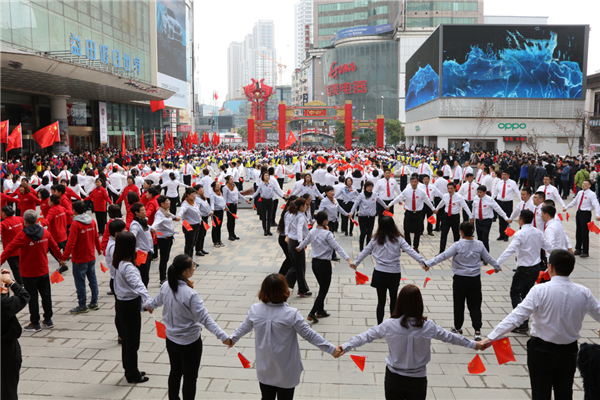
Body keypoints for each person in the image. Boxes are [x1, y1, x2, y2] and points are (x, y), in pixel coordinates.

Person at [482, 249, 600, 400]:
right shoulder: (583, 292)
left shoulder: (539, 290)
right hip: (568, 351)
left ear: (550, 267)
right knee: (565, 393)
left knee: (540, 393)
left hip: (541, 350)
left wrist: (491, 337)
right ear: (572, 269)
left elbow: (516, 317)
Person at [338, 284, 485, 400]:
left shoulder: (389, 325)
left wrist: (345, 346)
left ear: (399, 303)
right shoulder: (428, 326)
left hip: (394, 378)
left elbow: (365, 336)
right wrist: (475, 344)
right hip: (417, 379)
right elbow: (451, 337)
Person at [230, 273, 341, 400]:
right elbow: (309, 335)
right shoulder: (291, 314)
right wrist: (331, 349)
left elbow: (243, 328)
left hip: (265, 367)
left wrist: (232, 339)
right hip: (286, 369)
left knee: (266, 397)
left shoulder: (255, 310)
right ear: (284, 290)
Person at [145, 255, 232, 400]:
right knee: (190, 377)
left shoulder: (166, 286)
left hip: (171, 339)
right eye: (193, 266)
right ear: (186, 271)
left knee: (175, 372)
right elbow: (205, 319)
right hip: (190, 342)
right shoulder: (191, 295)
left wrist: (148, 305)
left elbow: (155, 302)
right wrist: (223, 337)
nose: (194, 268)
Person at [423, 222, 501, 340]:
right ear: (473, 231)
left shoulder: (458, 245)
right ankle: (477, 330)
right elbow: (488, 257)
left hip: (460, 279)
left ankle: (458, 327)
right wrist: (497, 266)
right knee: (475, 305)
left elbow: (443, 255)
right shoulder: (479, 244)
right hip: (475, 280)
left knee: (459, 304)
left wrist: (428, 263)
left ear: (461, 232)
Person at [0, 209, 64, 332]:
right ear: (36, 220)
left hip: (29, 273)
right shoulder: (45, 232)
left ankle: (35, 323)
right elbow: (54, 246)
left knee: (32, 297)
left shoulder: (22, 235)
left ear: (25, 220)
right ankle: (48, 320)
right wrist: (61, 259)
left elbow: (9, 249)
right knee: (46, 296)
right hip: (43, 270)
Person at [354, 216, 426, 324]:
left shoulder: (375, 239)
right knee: (394, 301)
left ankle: (379, 326)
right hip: (394, 273)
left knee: (381, 302)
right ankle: (394, 325)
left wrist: (356, 263)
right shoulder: (398, 239)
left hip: (380, 273)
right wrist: (422, 262)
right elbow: (410, 251)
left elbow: (365, 251)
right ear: (393, 225)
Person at [496, 210, 553, 334]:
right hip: (535, 269)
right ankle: (525, 323)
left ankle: (521, 321)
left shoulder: (520, 234)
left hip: (524, 269)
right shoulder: (538, 232)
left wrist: (497, 263)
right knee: (527, 295)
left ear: (521, 220)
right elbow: (548, 246)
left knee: (515, 293)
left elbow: (510, 250)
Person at [297, 211, 354, 323]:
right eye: (327, 219)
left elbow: (306, 241)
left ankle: (320, 310)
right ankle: (312, 312)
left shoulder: (312, 231)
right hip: (324, 265)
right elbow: (337, 247)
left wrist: (299, 247)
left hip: (315, 263)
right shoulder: (328, 234)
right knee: (324, 289)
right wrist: (348, 259)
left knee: (321, 286)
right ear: (324, 221)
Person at [112, 231, 152, 384]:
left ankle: (130, 368)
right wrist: (148, 299)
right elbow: (138, 284)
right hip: (129, 305)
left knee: (128, 340)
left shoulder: (119, 262)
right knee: (132, 342)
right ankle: (132, 374)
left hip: (123, 303)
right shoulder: (128, 266)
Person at [60, 201, 102, 314]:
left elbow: (71, 243)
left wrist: (64, 257)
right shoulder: (92, 221)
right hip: (91, 257)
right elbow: (96, 237)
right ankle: (94, 302)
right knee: (92, 280)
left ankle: (82, 305)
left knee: (80, 283)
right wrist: (98, 249)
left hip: (79, 259)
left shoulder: (75, 224)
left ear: (74, 210)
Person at [1, 267, 30, 400]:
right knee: (8, 388)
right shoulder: (3, 303)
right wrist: (11, 282)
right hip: (6, 349)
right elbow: (24, 296)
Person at [387, 175, 434, 253]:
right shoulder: (406, 191)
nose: (414, 183)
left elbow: (428, 201)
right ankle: (407, 245)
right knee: (406, 229)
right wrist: (390, 205)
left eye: (415, 181)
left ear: (418, 182)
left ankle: (415, 247)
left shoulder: (422, 192)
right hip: (409, 213)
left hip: (418, 213)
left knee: (417, 231)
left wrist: (433, 209)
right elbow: (398, 198)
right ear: (410, 182)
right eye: (412, 182)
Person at [563, 179, 600, 258]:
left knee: (584, 232)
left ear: (590, 185)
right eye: (583, 183)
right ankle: (578, 248)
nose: (583, 185)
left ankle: (585, 251)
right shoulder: (580, 193)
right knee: (578, 231)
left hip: (586, 214)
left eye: (586, 184)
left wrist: (597, 215)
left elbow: (596, 205)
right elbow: (574, 201)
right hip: (579, 213)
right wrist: (566, 207)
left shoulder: (592, 194)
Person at [470, 186, 511, 255]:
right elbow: (474, 209)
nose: (479, 194)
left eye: (481, 192)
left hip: (487, 221)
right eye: (478, 192)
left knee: (485, 238)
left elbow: (498, 209)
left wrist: (506, 218)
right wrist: (472, 217)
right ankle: (480, 255)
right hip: (478, 221)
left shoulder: (489, 200)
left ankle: (486, 255)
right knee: (479, 238)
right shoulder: (476, 198)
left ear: (485, 192)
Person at [434, 182, 472, 254]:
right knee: (443, 234)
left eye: (451, 188)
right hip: (446, 217)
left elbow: (465, 207)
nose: (450, 190)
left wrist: (471, 216)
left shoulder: (459, 197)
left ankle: (457, 251)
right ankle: (441, 252)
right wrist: (436, 209)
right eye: (448, 188)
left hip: (455, 217)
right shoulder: (445, 196)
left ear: (455, 189)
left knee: (456, 235)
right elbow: (441, 203)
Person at [350, 181, 387, 251]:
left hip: (371, 217)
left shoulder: (374, 195)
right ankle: (361, 246)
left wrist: (386, 206)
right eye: (369, 187)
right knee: (363, 232)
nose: (370, 188)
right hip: (362, 217)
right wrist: (351, 213)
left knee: (370, 233)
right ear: (365, 187)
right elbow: (355, 204)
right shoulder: (361, 195)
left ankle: (368, 247)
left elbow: (380, 201)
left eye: (371, 187)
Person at [285, 198, 311, 297]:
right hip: (296, 243)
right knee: (298, 267)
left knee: (297, 266)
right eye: (305, 205)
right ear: (301, 206)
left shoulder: (293, 214)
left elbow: (288, 226)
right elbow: (299, 230)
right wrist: (301, 244)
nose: (306, 206)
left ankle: (302, 289)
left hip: (292, 242)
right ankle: (283, 284)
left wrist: (288, 235)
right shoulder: (300, 216)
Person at [151, 196, 180, 284]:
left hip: (169, 238)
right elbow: (155, 223)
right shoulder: (159, 214)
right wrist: (153, 228)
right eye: (167, 201)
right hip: (164, 239)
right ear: (162, 204)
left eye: (169, 201)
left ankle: (164, 276)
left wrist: (175, 218)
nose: (169, 202)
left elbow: (171, 216)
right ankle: (162, 279)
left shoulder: (166, 211)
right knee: (163, 259)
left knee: (166, 258)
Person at [106, 219, 126, 343]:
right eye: (124, 230)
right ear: (117, 233)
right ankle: (121, 335)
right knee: (120, 310)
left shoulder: (117, 243)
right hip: (117, 280)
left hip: (117, 279)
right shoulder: (114, 247)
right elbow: (118, 266)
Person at [252, 171, 286, 236]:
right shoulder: (261, 185)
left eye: (268, 175)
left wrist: (283, 197)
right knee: (264, 216)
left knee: (269, 216)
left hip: (270, 201)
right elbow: (257, 192)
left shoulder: (271, 184)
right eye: (265, 176)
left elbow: (277, 191)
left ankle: (269, 230)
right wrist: (251, 198)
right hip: (263, 202)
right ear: (263, 177)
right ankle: (265, 230)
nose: (267, 177)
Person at [129, 202, 154, 288]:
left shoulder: (143, 221)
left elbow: (148, 227)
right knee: (143, 276)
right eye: (142, 210)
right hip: (141, 253)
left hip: (148, 252)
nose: (145, 211)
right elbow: (131, 238)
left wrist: (152, 228)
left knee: (146, 274)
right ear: (136, 213)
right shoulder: (135, 225)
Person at [222, 175, 251, 241]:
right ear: (227, 180)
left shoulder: (234, 186)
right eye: (231, 179)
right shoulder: (225, 188)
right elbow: (224, 198)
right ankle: (230, 234)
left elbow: (238, 194)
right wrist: (225, 206)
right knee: (230, 220)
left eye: (232, 179)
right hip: (229, 206)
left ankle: (233, 233)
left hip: (234, 205)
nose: (232, 180)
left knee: (233, 219)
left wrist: (245, 200)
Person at [493, 170, 519, 241]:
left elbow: (517, 192)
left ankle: (506, 236)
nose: (503, 176)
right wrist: (491, 200)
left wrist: (522, 201)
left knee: (507, 220)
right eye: (502, 174)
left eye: (505, 174)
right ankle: (501, 234)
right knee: (501, 219)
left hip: (508, 203)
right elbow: (495, 192)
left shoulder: (512, 183)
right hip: (500, 203)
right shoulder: (499, 183)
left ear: (508, 175)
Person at [0, 206, 24, 285]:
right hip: (22, 248)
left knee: (15, 268)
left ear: (3, 213)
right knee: (22, 266)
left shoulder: (3, 223)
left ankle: (20, 283)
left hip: (10, 251)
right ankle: (24, 280)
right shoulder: (20, 219)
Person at [194, 185, 211, 257]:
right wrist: (200, 214)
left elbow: (207, 206)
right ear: (197, 191)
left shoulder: (203, 197)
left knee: (203, 234)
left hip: (206, 217)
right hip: (201, 218)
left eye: (202, 189)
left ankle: (201, 248)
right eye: (201, 189)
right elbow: (197, 208)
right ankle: (198, 249)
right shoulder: (197, 199)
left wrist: (210, 211)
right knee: (200, 234)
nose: (202, 190)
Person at [209, 182, 226, 247]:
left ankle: (219, 240)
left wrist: (225, 207)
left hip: (221, 211)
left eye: (219, 185)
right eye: (218, 185)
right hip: (215, 212)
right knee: (215, 226)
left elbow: (223, 201)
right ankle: (215, 241)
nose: (219, 186)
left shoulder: (219, 193)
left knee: (219, 226)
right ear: (214, 187)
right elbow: (212, 203)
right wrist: (212, 210)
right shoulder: (212, 194)